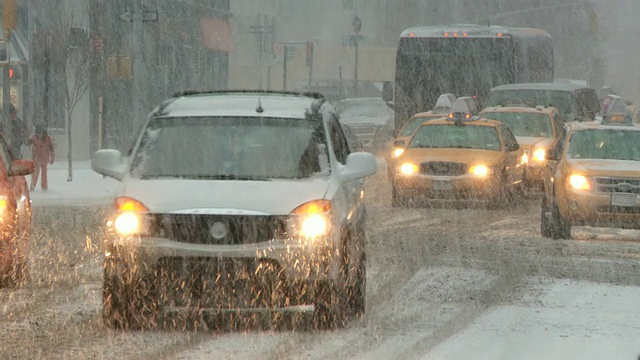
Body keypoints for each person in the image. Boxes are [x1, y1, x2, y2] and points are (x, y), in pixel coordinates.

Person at [26, 124, 55, 191]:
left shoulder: (35, 138)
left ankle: (35, 186)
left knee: (38, 173)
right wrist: (52, 157)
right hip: (42, 157)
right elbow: (51, 149)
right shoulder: (47, 138)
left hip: (38, 157)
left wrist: (52, 157)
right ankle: (42, 186)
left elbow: (27, 143)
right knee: (41, 173)